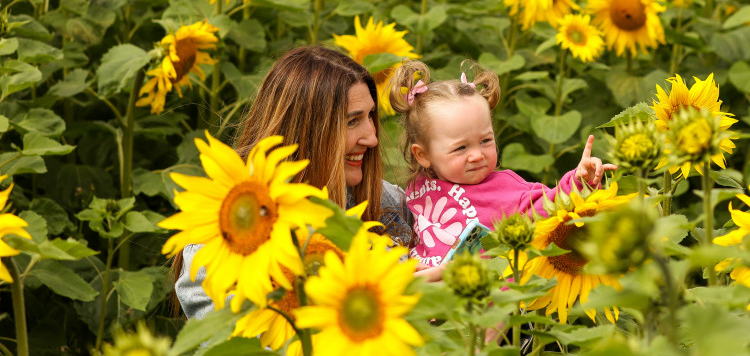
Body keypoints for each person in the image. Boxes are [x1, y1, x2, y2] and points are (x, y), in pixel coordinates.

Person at [173, 45, 419, 320]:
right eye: (352, 121)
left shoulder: (391, 204)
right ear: (305, 131)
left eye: (371, 117)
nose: (372, 138)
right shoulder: (227, 236)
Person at [388, 59, 615, 268]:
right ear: (423, 155)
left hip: (487, 297)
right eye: (460, 148)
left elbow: (548, 206)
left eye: (485, 140)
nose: (477, 155)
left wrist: (578, 181)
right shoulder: (418, 186)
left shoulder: (505, 188)